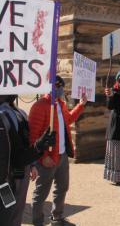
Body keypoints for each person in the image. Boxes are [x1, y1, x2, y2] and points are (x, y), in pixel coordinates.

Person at [29, 75, 87, 226]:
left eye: (61, 86)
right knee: (41, 193)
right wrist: (43, 156)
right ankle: (37, 222)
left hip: (62, 155)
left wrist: (80, 105)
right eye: (57, 86)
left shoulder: (60, 104)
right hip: (47, 158)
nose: (60, 89)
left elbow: (67, 120)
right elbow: (33, 135)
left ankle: (57, 218)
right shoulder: (40, 106)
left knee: (62, 188)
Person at [0, 95, 56, 226]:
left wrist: (38, 147)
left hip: (5, 187)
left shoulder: (4, 119)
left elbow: (18, 158)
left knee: (10, 217)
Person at [0, 96, 39, 226]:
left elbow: (27, 140)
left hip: (23, 165)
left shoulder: (20, 112)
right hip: (7, 172)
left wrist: (32, 164)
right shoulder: (2, 114)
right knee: (7, 207)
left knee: (19, 207)